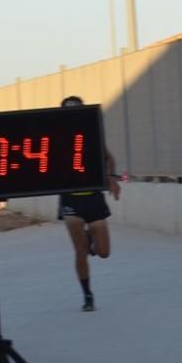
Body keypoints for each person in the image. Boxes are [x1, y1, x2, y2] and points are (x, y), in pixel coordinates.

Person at [57, 95, 121, 312]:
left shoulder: (92, 136)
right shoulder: (57, 137)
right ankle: (87, 294)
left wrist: (111, 177)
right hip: (70, 200)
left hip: (93, 198)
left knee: (103, 253)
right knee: (80, 251)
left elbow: (109, 158)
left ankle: (92, 236)